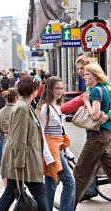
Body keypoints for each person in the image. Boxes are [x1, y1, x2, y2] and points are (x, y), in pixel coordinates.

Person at [0, 77, 49, 211]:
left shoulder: (25, 106)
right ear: (34, 91)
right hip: (24, 163)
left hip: (24, 162)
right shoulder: (22, 108)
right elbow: (19, 138)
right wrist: (19, 164)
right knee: (39, 194)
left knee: (9, 194)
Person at [73, 63, 111, 208]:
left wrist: (86, 102)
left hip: (96, 137)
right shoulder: (105, 90)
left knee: (80, 172)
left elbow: (95, 116)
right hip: (105, 135)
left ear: (95, 75)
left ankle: (69, 206)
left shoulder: (95, 91)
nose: (84, 76)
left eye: (88, 74)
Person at [36, 76, 75, 211]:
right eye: (57, 88)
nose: (60, 91)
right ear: (50, 89)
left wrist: (67, 151)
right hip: (51, 149)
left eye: (61, 88)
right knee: (69, 181)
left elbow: (61, 131)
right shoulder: (44, 108)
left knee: (51, 184)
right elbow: (40, 133)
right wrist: (47, 155)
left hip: (58, 148)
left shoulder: (56, 107)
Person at [0, 88, 18, 166]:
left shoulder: (0, 112)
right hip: (17, 140)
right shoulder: (18, 110)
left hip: (6, 139)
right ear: (16, 97)